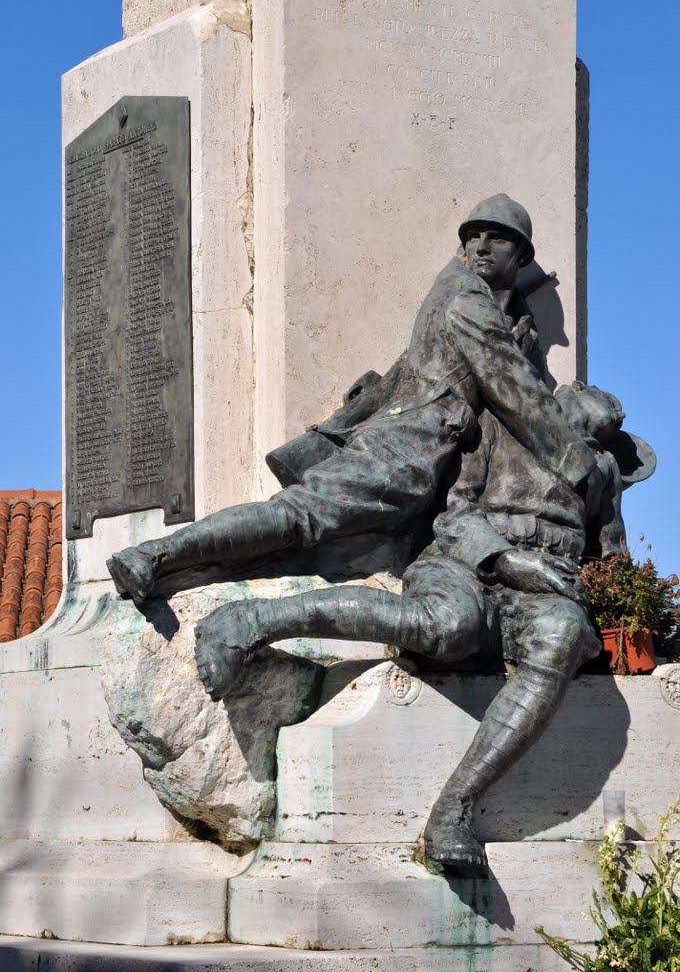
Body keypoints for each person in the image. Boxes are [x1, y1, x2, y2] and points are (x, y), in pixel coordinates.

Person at [192, 382, 653, 875]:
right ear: (568, 391)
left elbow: (610, 561)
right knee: (447, 624)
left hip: (544, 591)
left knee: (563, 635)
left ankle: (454, 808)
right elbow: (454, 514)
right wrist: (507, 558)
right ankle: (252, 620)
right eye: (606, 408)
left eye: (613, 431)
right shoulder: (500, 423)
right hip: (468, 564)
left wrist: (635, 621)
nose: (617, 416)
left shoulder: (602, 471)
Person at [107, 195, 595, 605]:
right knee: (296, 516)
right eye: (474, 236)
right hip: (403, 454)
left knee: (300, 533)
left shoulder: (480, 301)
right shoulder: (469, 302)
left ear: (522, 255)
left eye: (498, 237)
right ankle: (153, 557)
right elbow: (518, 394)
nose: (481, 246)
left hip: (421, 466)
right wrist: (580, 468)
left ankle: (162, 561)